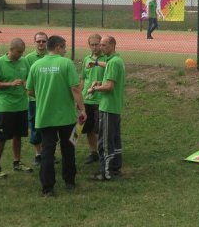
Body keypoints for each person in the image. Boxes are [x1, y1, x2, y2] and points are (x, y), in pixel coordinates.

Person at [26, 35, 86, 196]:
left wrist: (44, 95)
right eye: (64, 47)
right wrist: (82, 109)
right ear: (58, 47)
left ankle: (47, 187)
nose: (65, 50)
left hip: (45, 116)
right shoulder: (66, 63)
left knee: (47, 152)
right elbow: (75, 89)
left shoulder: (36, 65)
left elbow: (29, 90)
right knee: (69, 148)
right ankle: (70, 181)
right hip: (66, 116)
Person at [0, 38, 31, 177]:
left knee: (18, 135)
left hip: (22, 105)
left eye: (22, 52)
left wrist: (27, 84)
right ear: (11, 49)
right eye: (19, 52)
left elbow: (29, 79)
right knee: (1, 137)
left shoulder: (24, 61)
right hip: (5, 107)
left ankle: (17, 162)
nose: (21, 54)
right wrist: (10, 84)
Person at [87, 35, 125, 180]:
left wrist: (94, 89)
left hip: (108, 107)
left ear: (112, 45)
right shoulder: (116, 60)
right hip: (114, 106)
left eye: (103, 45)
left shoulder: (113, 62)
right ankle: (115, 167)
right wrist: (99, 82)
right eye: (100, 45)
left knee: (105, 142)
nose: (100, 48)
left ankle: (106, 172)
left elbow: (109, 86)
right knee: (114, 139)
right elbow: (109, 81)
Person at [80, 33, 107, 164]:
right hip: (87, 99)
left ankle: (104, 152)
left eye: (97, 44)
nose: (95, 47)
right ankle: (93, 152)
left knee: (100, 129)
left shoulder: (106, 59)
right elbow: (83, 79)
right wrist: (80, 97)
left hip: (101, 100)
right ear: (89, 45)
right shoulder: (86, 59)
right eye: (92, 45)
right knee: (88, 128)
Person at [23, 32, 48, 166]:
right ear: (35, 42)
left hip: (49, 100)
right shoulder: (28, 58)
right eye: (39, 41)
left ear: (47, 42)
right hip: (34, 100)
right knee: (35, 125)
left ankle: (48, 152)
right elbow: (26, 79)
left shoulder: (52, 56)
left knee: (50, 126)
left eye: (43, 41)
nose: (41, 43)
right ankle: (38, 154)